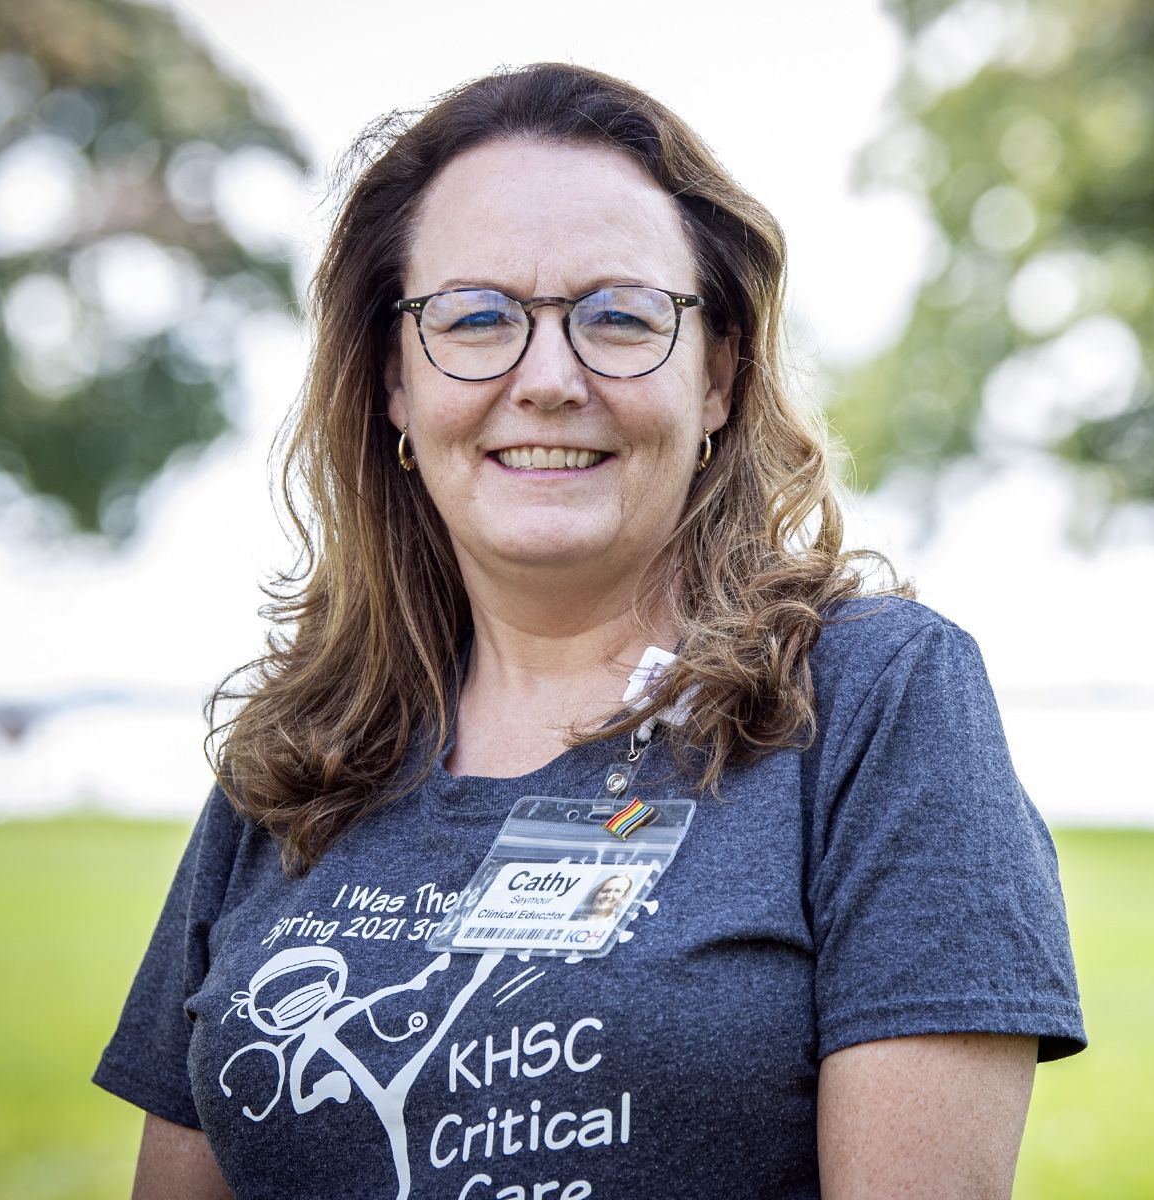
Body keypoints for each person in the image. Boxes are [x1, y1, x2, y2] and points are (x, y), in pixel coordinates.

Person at [95, 63, 1085, 1200]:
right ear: (393, 386)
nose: (551, 378)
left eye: (620, 317)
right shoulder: (300, 754)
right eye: (475, 318)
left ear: (718, 375)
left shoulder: (875, 697)